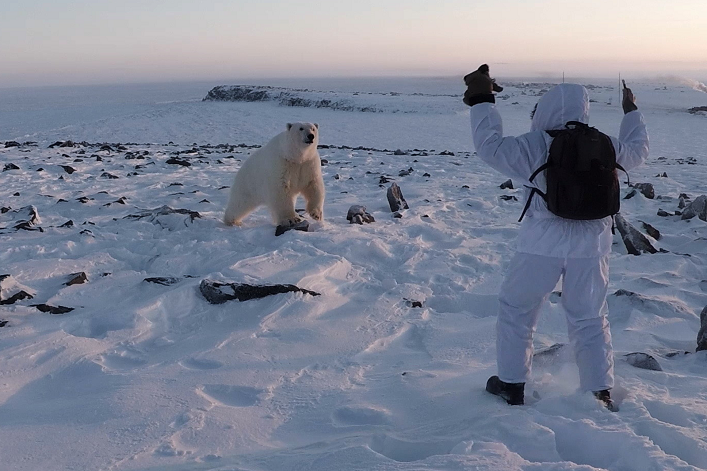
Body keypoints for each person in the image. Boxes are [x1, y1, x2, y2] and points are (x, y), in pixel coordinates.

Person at [463, 65, 649, 411]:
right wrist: (632, 113)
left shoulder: (534, 145)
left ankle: (512, 383)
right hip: (592, 247)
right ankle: (599, 390)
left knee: (518, 309)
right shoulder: (605, 144)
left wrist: (483, 100)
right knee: (590, 316)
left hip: (540, 244)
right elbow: (638, 152)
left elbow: (489, 146)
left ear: (546, 108)